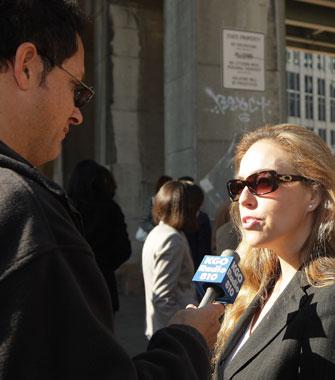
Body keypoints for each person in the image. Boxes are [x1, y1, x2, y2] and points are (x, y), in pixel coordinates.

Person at [0, 1, 223, 378]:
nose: (78, 113)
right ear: (27, 65)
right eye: (77, 89)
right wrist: (189, 339)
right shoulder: (24, 215)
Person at [213, 124, 335, 379]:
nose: (245, 200)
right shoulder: (259, 287)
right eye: (239, 187)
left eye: (263, 182)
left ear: (314, 195)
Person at [67, 159, 132, 313]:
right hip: (103, 284)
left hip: (72, 284)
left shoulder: (66, 208)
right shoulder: (110, 209)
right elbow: (123, 249)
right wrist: (103, 265)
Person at [142, 180, 204, 338]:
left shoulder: (158, 232)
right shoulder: (171, 239)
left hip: (163, 328)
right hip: (173, 332)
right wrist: (183, 329)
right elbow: (163, 297)